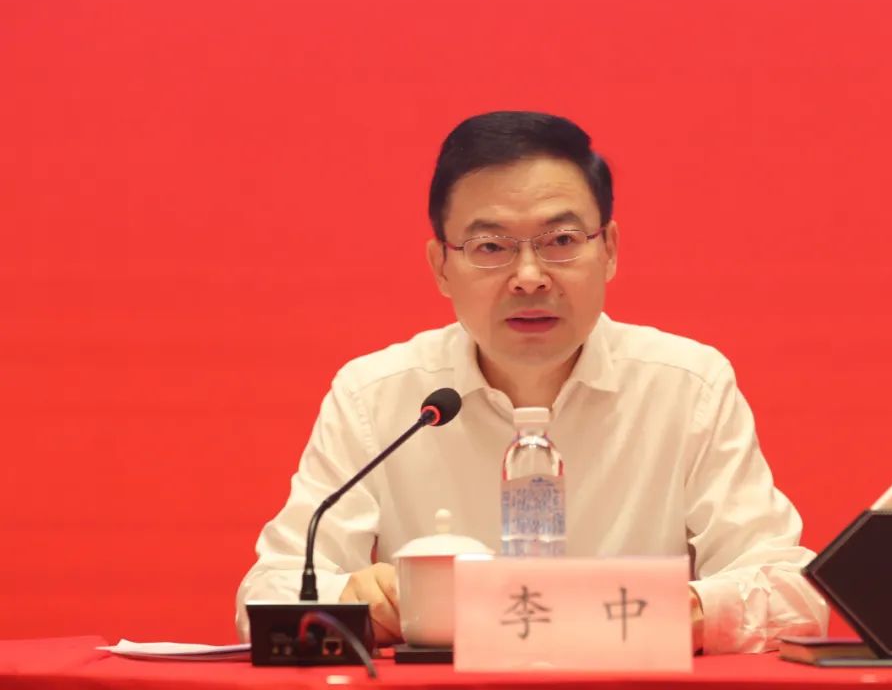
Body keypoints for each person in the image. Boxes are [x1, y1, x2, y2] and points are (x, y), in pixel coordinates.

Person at [235, 111, 828, 653]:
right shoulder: (377, 396)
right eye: (490, 246)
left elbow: (794, 594)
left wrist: (677, 609)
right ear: (441, 266)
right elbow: (267, 593)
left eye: (561, 242)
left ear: (609, 250)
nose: (528, 276)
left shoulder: (686, 387)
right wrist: (354, 601)